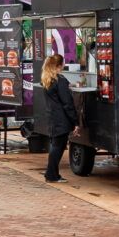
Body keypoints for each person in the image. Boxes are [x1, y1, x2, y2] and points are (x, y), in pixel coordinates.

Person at [40, 54, 80, 183]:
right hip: (61, 119)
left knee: (56, 146)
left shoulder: (48, 80)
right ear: (59, 65)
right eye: (63, 63)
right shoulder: (60, 81)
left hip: (53, 117)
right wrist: (75, 121)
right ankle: (51, 175)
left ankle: (53, 174)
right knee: (58, 147)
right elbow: (67, 103)